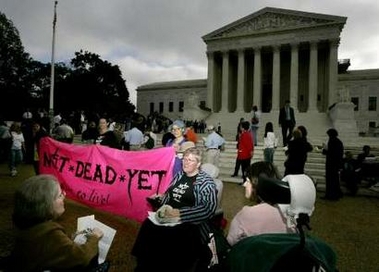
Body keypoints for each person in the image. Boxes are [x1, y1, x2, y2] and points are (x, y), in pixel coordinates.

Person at [132, 147, 218, 272]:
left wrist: (180, 214)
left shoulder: (206, 183)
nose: (186, 162)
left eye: (191, 160)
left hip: (188, 221)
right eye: (184, 159)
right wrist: (159, 199)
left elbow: (208, 209)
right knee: (148, 224)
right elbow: (169, 196)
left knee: (171, 234)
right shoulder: (179, 175)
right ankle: (144, 264)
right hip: (168, 214)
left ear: (199, 164)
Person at [8, 174, 105, 272]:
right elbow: (82, 257)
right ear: (46, 205)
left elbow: (50, 249)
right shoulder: (50, 234)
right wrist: (94, 237)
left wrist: (68, 240)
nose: (64, 195)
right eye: (59, 195)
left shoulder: (24, 223)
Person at [227, 161, 296, 246]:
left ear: (257, 184)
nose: (244, 184)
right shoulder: (291, 212)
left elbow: (231, 240)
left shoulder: (247, 213)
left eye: (248, 181)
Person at [322, 128, 344, 200]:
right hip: (336, 164)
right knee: (335, 179)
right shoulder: (338, 142)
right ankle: (336, 194)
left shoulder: (332, 141)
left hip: (331, 163)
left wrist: (325, 150)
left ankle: (330, 195)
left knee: (330, 180)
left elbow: (331, 153)